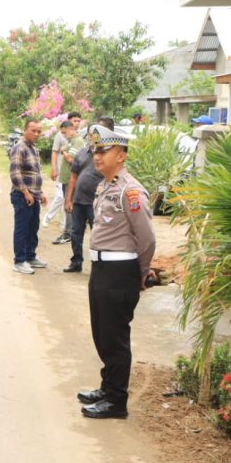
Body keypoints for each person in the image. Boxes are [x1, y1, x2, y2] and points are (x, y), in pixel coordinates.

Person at [77, 124, 158, 420]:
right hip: (101, 268)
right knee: (102, 332)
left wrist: (141, 272)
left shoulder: (130, 191)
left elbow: (147, 238)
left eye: (104, 150)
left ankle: (116, 401)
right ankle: (107, 387)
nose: (97, 157)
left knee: (115, 336)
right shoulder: (105, 186)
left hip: (120, 271)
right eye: (95, 151)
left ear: (121, 155)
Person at [64, 116, 115, 274]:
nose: (93, 135)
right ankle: (76, 261)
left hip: (97, 203)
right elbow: (73, 178)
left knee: (98, 235)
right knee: (75, 233)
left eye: (97, 132)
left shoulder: (109, 154)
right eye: (91, 132)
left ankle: (98, 266)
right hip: (79, 201)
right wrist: (69, 199)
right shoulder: (82, 152)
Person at [10, 118, 47, 274]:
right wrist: (25, 192)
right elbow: (15, 173)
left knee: (33, 228)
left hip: (33, 196)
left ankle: (31, 256)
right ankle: (19, 261)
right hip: (22, 196)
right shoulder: (19, 148)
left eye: (39, 131)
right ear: (25, 130)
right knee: (22, 229)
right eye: (33, 130)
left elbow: (35, 173)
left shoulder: (33, 148)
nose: (37, 134)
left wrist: (40, 193)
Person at [42, 118, 81, 244]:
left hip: (71, 180)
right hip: (65, 180)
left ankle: (68, 233)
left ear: (71, 129)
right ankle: (69, 232)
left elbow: (70, 159)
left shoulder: (77, 141)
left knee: (69, 206)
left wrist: (64, 151)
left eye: (64, 133)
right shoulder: (70, 142)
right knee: (67, 206)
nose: (63, 136)